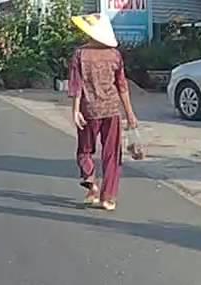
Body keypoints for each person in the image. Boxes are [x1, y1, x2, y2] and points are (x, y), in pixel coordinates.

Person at [67, 13, 138, 211]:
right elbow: (122, 86)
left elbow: (76, 85)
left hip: (89, 110)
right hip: (112, 109)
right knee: (112, 155)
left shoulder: (80, 54)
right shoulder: (115, 55)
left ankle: (90, 179)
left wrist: (75, 110)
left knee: (84, 150)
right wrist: (130, 114)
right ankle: (108, 198)